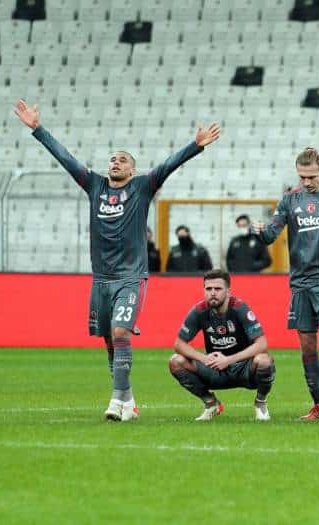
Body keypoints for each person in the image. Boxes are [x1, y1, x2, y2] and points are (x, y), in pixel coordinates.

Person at [13, 99, 220, 421]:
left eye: (122, 160)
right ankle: (129, 402)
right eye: (112, 159)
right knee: (110, 341)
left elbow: (168, 165)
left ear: (132, 170)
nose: (115, 162)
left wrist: (196, 146)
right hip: (101, 279)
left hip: (130, 277)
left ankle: (114, 401)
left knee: (122, 332)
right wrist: (38, 129)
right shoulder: (94, 185)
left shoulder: (142, 187)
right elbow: (66, 159)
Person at [252, 147, 319, 420]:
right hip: (300, 282)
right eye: (302, 177)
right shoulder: (290, 199)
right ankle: (317, 404)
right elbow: (271, 234)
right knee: (307, 346)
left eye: (311, 176)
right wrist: (260, 231)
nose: (306, 182)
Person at [168, 269, 275, 422]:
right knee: (175, 361)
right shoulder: (199, 311)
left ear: (228, 291)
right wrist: (204, 359)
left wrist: (228, 360)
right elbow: (179, 344)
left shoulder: (239, 308)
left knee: (264, 360)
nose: (212, 293)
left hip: (243, 368)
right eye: (208, 289)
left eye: (218, 289)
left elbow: (262, 344)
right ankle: (211, 403)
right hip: (215, 368)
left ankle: (260, 403)